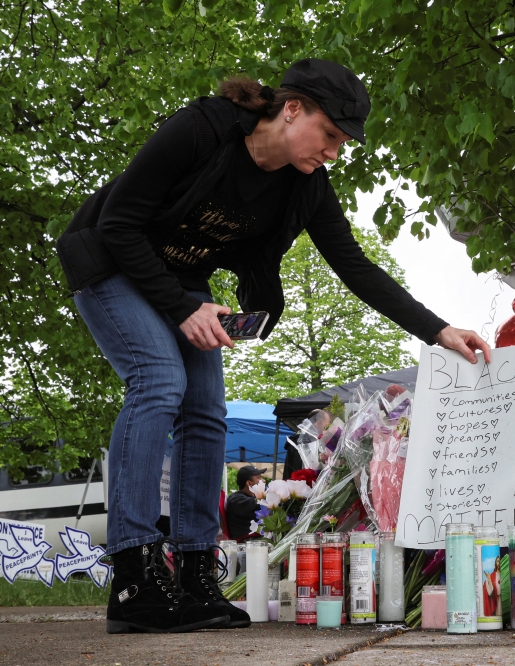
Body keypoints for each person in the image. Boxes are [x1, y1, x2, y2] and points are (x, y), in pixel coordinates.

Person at [56, 58, 492, 634]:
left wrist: (439, 330)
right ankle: (134, 574)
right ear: (292, 110)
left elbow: (356, 266)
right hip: (110, 262)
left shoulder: (305, 185)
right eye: (331, 134)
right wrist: (184, 307)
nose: (335, 152)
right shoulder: (201, 131)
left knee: (206, 409)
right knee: (161, 381)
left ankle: (193, 572)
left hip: (182, 280)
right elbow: (118, 224)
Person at [225, 465, 267, 542]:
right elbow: (253, 504)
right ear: (249, 483)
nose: (264, 481)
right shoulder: (235, 500)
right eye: (259, 478)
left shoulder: (243, 498)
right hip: (245, 547)